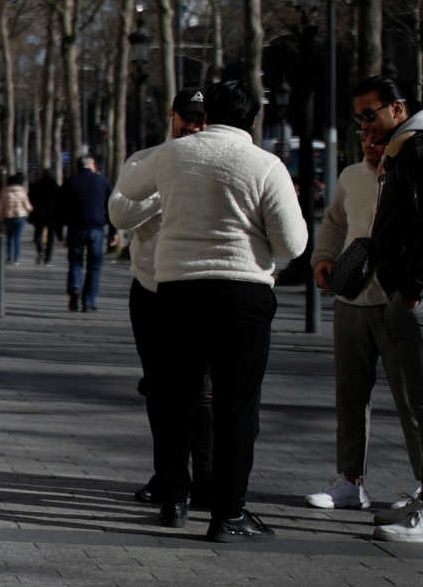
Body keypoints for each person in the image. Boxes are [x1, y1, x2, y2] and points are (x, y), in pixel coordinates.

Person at [113, 80, 307, 541]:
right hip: (242, 294)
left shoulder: (171, 156)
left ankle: (174, 499)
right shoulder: (266, 164)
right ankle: (228, 513)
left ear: (206, 115)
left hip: (177, 289)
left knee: (173, 399)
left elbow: (126, 192)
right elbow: (293, 242)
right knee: (236, 406)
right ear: (253, 120)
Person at [356, 75, 423, 543]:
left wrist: (414, 287)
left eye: (370, 113)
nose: (365, 124)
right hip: (418, 290)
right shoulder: (408, 151)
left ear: (397, 109)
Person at [110, 89, 215, 524]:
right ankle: (168, 476)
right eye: (186, 117)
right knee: (159, 388)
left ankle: (205, 478)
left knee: (203, 392)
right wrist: (163, 190)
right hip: (150, 286)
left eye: (201, 118)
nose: (193, 125)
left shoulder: (218, 159)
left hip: (199, 288)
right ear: (171, 116)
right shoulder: (146, 159)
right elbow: (119, 213)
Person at [302, 122, 419, 512]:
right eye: (365, 138)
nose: (370, 144)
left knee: (413, 399)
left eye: (380, 139)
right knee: (350, 396)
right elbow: (335, 220)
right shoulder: (351, 176)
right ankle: (350, 480)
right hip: (353, 298)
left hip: (400, 301)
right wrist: (323, 258)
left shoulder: (415, 174)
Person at [62, 155, 114, 310]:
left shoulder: (71, 181)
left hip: (76, 229)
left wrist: (59, 230)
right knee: (94, 266)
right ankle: (89, 301)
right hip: (97, 228)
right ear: (93, 165)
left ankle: (75, 287)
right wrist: (113, 232)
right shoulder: (103, 181)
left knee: (75, 262)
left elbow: (61, 207)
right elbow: (112, 208)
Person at [29, 167, 61, 264]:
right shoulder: (56, 186)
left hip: (39, 214)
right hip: (52, 215)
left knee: (38, 234)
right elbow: (60, 202)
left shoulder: (36, 185)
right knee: (51, 237)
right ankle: (48, 257)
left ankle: (40, 251)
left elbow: (31, 198)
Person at [0, 172, 30, 263]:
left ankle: (9, 257)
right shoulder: (22, 191)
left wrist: (0, 218)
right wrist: (29, 210)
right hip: (20, 216)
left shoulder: (5, 191)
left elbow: (2, 206)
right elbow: (27, 205)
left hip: (8, 217)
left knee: (9, 238)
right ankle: (16, 259)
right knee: (17, 238)